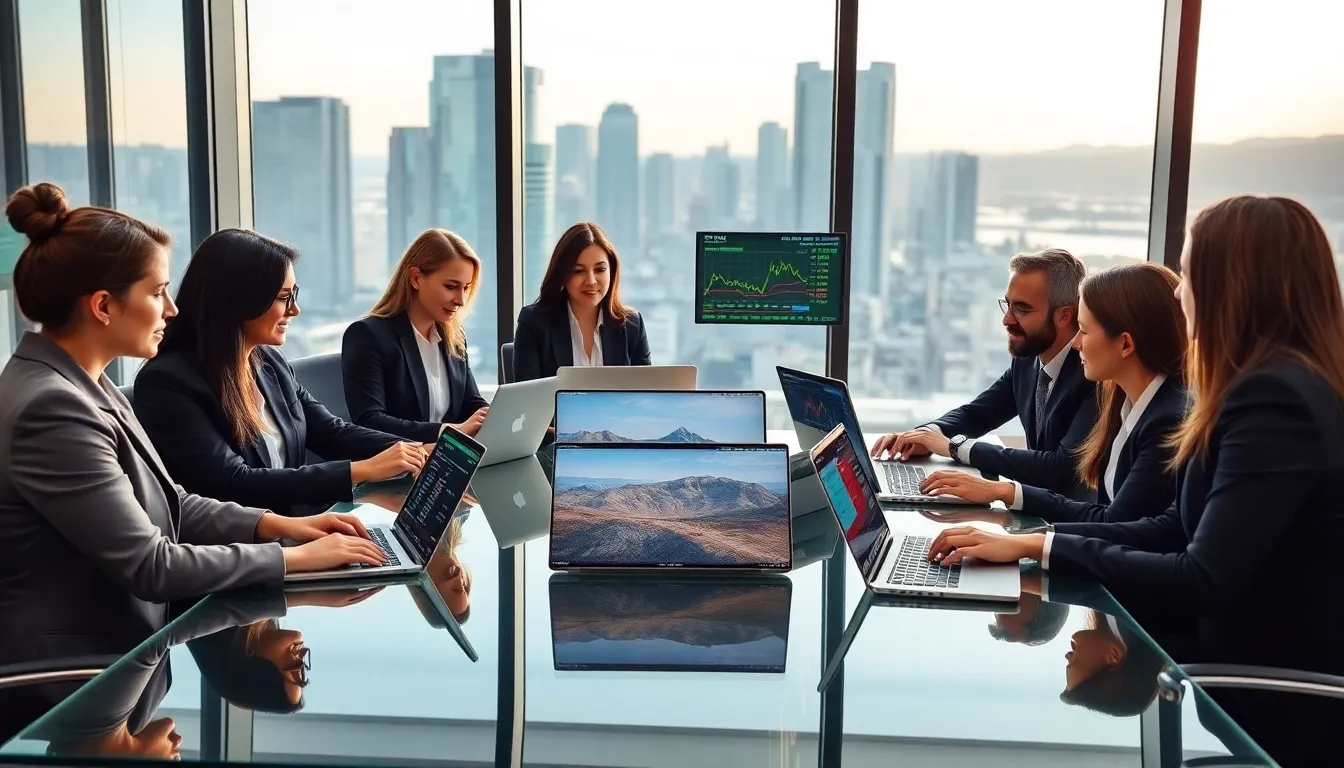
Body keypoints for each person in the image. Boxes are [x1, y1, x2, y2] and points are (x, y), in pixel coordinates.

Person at [925, 196, 1344, 765]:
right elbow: (1175, 525)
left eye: (1190, 274)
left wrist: (1034, 544)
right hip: (1223, 674)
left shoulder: (1275, 401)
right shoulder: (1266, 388)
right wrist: (1030, 543)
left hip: (1269, 701)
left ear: (1232, 286)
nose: (1178, 292)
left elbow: (1201, 576)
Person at [0, 184, 386, 738]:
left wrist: (283, 526)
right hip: (73, 681)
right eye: (158, 292)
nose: (173, 309)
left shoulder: (86, 385)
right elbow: (152, 566)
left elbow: (173, 503)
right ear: (104, 306)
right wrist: (293, 560)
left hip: (127, 657)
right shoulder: (53, 407)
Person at [134, 229, 429, 517]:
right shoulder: (167, 383)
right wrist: (361, 470)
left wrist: (415, 452)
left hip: (298, 532)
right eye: (284, 296)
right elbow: (233, 483)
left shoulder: (269, 364)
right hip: (240, 553)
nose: (295, 309)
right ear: (239, 300)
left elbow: (331, 432)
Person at [918, 262, 1188, 523]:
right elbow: (979, 412)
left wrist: (1010, 504)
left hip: (1088, 539)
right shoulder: (1125, 399)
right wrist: (926, 434)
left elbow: (1109, 517)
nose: (1077, 343)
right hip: (1077, 532)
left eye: (1083, 331)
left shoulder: (1154, 412)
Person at [871, 248, 1098, 497]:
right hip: (1037, 510)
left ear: (1064, 315)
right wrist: (926, 435)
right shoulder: (1028, 362)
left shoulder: (1094, 375)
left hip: (1076, 525)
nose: (1007, 320)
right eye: (1007, 305)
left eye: (1022, 309)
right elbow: (977, 414)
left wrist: (955, 447)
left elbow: (1060, 470)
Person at [342, 229, 490, 443]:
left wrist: (505, 421)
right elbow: (369, 421)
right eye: (451, 287)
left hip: (447, 461)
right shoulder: (368, 335)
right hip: (399, 467)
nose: (460, 300)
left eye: (465, 288)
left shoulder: (453, 335)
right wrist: (447, 432)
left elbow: (470, 403)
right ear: (416, 279)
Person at [512, 222, 651, 381]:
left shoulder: (632, 325)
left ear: (611, 272)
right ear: (562, 274)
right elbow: (528, 399)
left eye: (600, 270)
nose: (591, 281)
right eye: (578, 271)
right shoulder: (534, 323)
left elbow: (645, 394)